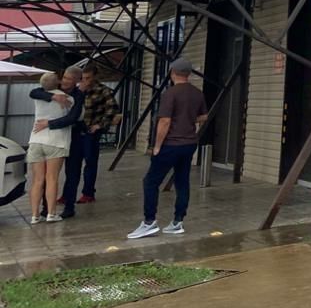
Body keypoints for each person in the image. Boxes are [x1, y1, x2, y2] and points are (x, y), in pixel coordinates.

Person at [128, 58, 207, 239]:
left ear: (172, 72)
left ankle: (149, 221)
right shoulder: (197, 93)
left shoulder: (170, 94)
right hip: (189, 143)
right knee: (182, 181)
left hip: (170, 143)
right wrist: (188, 120)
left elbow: (164, 121)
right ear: (188, 73)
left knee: (151, 181)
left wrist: (157, 145)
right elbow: (204, 116)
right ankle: (178, 221)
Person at [29, 67, 84, 220]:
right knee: (49, 177)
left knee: (72, 173)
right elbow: (34, 92)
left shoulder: (78, 96)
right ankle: (47, 209)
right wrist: (53, 97)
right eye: (64, 77)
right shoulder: (54, 89)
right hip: (55, 140)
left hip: (70, 136)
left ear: (77, 81)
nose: (65, 81)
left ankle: (68, 206)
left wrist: (49, 124)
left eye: (69, 79)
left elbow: (73, 118)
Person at [71, 64, 122, 204]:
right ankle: (68, 194)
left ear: (95, 77)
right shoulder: (78, 90)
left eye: (88, 78)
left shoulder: (103, 91)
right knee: (73, 163)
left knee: (90, 162)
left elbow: (112, 109)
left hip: (91, 131)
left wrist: (100, 125)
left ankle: (88, 193)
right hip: (77, 130)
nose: (86, 81)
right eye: (83, 78)